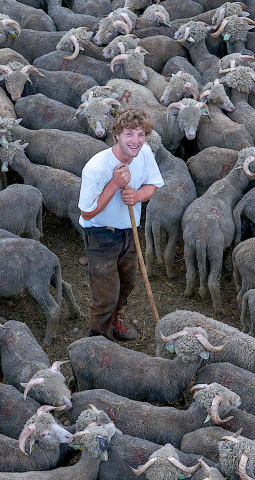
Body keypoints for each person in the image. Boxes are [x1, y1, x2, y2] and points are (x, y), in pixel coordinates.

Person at [78, 108, 164, 341]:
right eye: (129, 134)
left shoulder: (144, 153)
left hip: (130, 230)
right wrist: (115, 184)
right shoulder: (96, 168)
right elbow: (87, 213)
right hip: (101, 234)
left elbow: (152, 185)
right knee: (105, 295)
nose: (135, 141)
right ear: (117, 135)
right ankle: (98, 340)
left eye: (140, 134)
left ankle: (115, 320)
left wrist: (137, 196)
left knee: (127, 283)